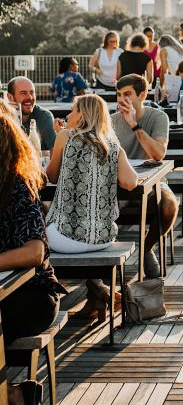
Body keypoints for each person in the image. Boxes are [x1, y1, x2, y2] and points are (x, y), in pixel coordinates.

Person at [0, 102, 65, 405]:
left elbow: (34, 252)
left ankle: (11, 400)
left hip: (32, 295)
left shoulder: (18, 187)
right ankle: (14, 394)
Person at [45, 94, 137, 316]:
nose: (68, 115)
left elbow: (52, 176)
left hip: (64, 239)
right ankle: (98, 293)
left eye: (73, 110)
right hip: (103, 238)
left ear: (83, 115)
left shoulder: (65, 137)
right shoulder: (113, 147)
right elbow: (130, 182)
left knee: (40, 224)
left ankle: (45, 300)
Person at [112, 74, 178, 278]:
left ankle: (146, 248)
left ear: (142, 95)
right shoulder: (110, 120)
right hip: (119, 183)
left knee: (168, 206)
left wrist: (134, 125)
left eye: (128, 94)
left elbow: (158, 153)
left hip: (152, 181)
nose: (122, 99)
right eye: (119, 95)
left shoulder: (158, 117)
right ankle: (103, 268)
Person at [7, 77, 57, 151]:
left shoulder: (44, 116)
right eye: (23, 93)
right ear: (10, 97)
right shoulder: (4, 117)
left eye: (32, 92)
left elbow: (55, 150)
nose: (30, 97)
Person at [158, 35, 183, 101]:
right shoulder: (181, 49)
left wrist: (160, 86)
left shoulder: (164, 50)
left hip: (176, 80)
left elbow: (164, 70)